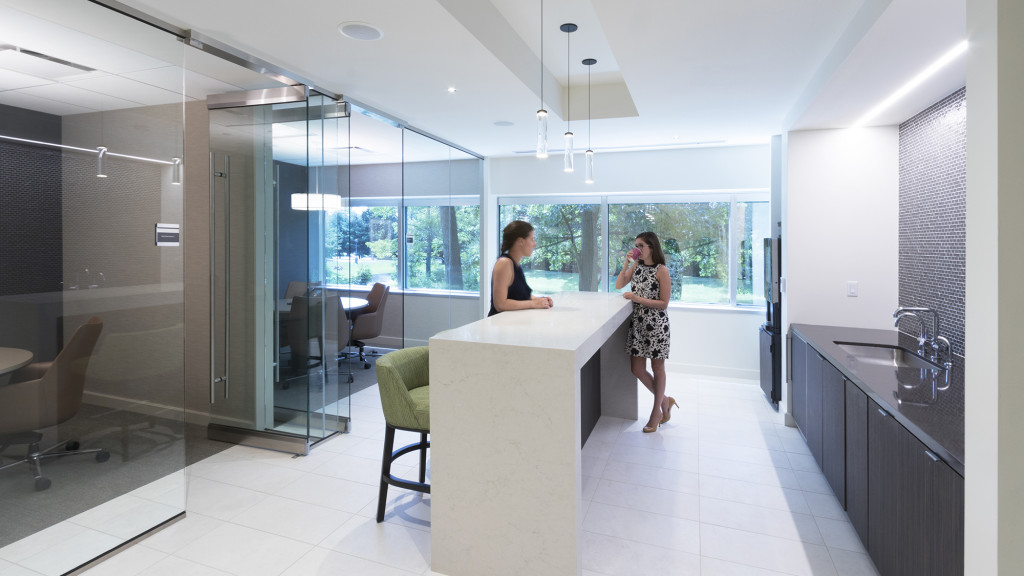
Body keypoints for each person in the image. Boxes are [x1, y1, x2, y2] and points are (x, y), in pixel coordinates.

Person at [615, 231, 677, 433]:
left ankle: (655, 414)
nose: (637, 249)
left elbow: (664, 303)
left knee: (658, 369)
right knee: (637, 369)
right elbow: (619, 284)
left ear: (652, 246)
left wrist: (637, 298)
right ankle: (665, 400)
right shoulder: (637, 266)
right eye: (636, 246)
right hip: (638, 325)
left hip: (657, 326)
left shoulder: (662, 270)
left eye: (641, 245)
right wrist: (626, 263)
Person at [488, 220, 554, 316]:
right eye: (532, 239)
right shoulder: (504, 263)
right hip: (500, 326)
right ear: (521, 241)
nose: (534, 244)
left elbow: (518, 296)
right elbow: (500, 304)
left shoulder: (516, 265)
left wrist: (540, 300)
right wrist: (532, 303)